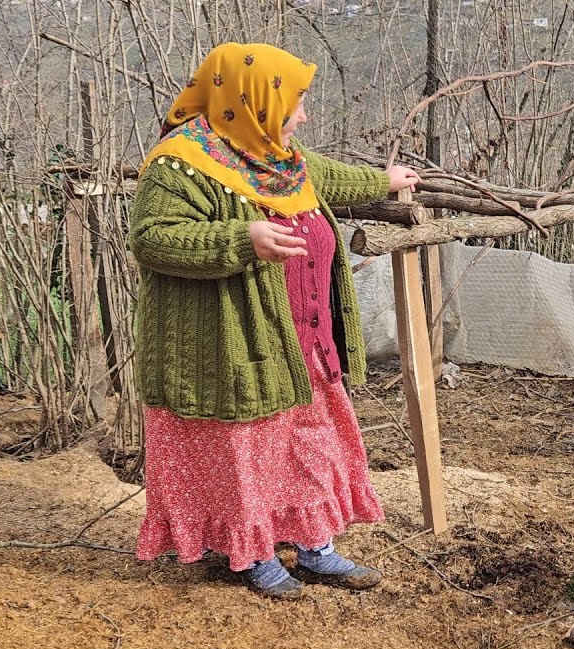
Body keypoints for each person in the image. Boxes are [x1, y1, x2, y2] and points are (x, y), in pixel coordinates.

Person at [128, 43, 419, 599]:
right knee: (246, 455)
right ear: (253, 101)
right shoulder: (181, 162)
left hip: (301, 340)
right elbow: (151, 239)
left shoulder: (272, 155)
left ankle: (314, 545)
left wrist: (384, 181)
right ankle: (253, 552)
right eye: (295, 105)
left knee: (309, 443)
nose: (302, 117)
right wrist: (243, 239)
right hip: (231, 347)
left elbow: (324, 177)